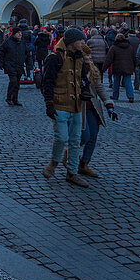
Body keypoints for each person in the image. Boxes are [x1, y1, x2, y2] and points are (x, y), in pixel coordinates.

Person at [41, 27, 91, 186]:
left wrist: (85, 90)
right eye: (80, 40)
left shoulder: (80, 57)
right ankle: (54, 163)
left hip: (76, 105)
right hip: (60, 104)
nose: (83, 43)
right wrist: (49, 104)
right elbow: (47, 82)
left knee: (75, 141)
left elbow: (83, 78)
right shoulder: (55, 58)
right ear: (71, 42)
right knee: (61, 138)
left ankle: (72, 172)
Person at [76, 41, 117, 177]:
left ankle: (84, 163)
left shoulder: (93, 69)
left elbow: (99, 87)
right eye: (85, 56)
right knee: (84, 136)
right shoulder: (74, 69)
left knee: (93, 135)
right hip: (79, 106)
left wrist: (108, 103)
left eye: (89, 56)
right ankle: (70, 154)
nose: (88, 58)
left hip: (92, 106)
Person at [105, 29, 136, 102]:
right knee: (128, 82)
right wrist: (135, 66)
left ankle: (115, 96)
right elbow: (134, 57)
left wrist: (104, 68)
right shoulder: (130, 47)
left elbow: (108, 59)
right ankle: (131, 96)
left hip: (117, 67)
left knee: (116, 82)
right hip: (128, 67)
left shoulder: (114, 47)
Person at [0, 28, 25, 105]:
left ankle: (15, 99)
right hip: (10, 65)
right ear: (14, 33)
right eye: (18, 32)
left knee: (17, 83)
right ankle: (9, 98)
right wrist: (0, 62)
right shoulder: (7, 42)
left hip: (19, 65)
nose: (20, 34)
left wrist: (29, 64)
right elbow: (1, 52)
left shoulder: (22, 42)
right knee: (13, 81)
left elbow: (27, 53)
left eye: (21, 32)